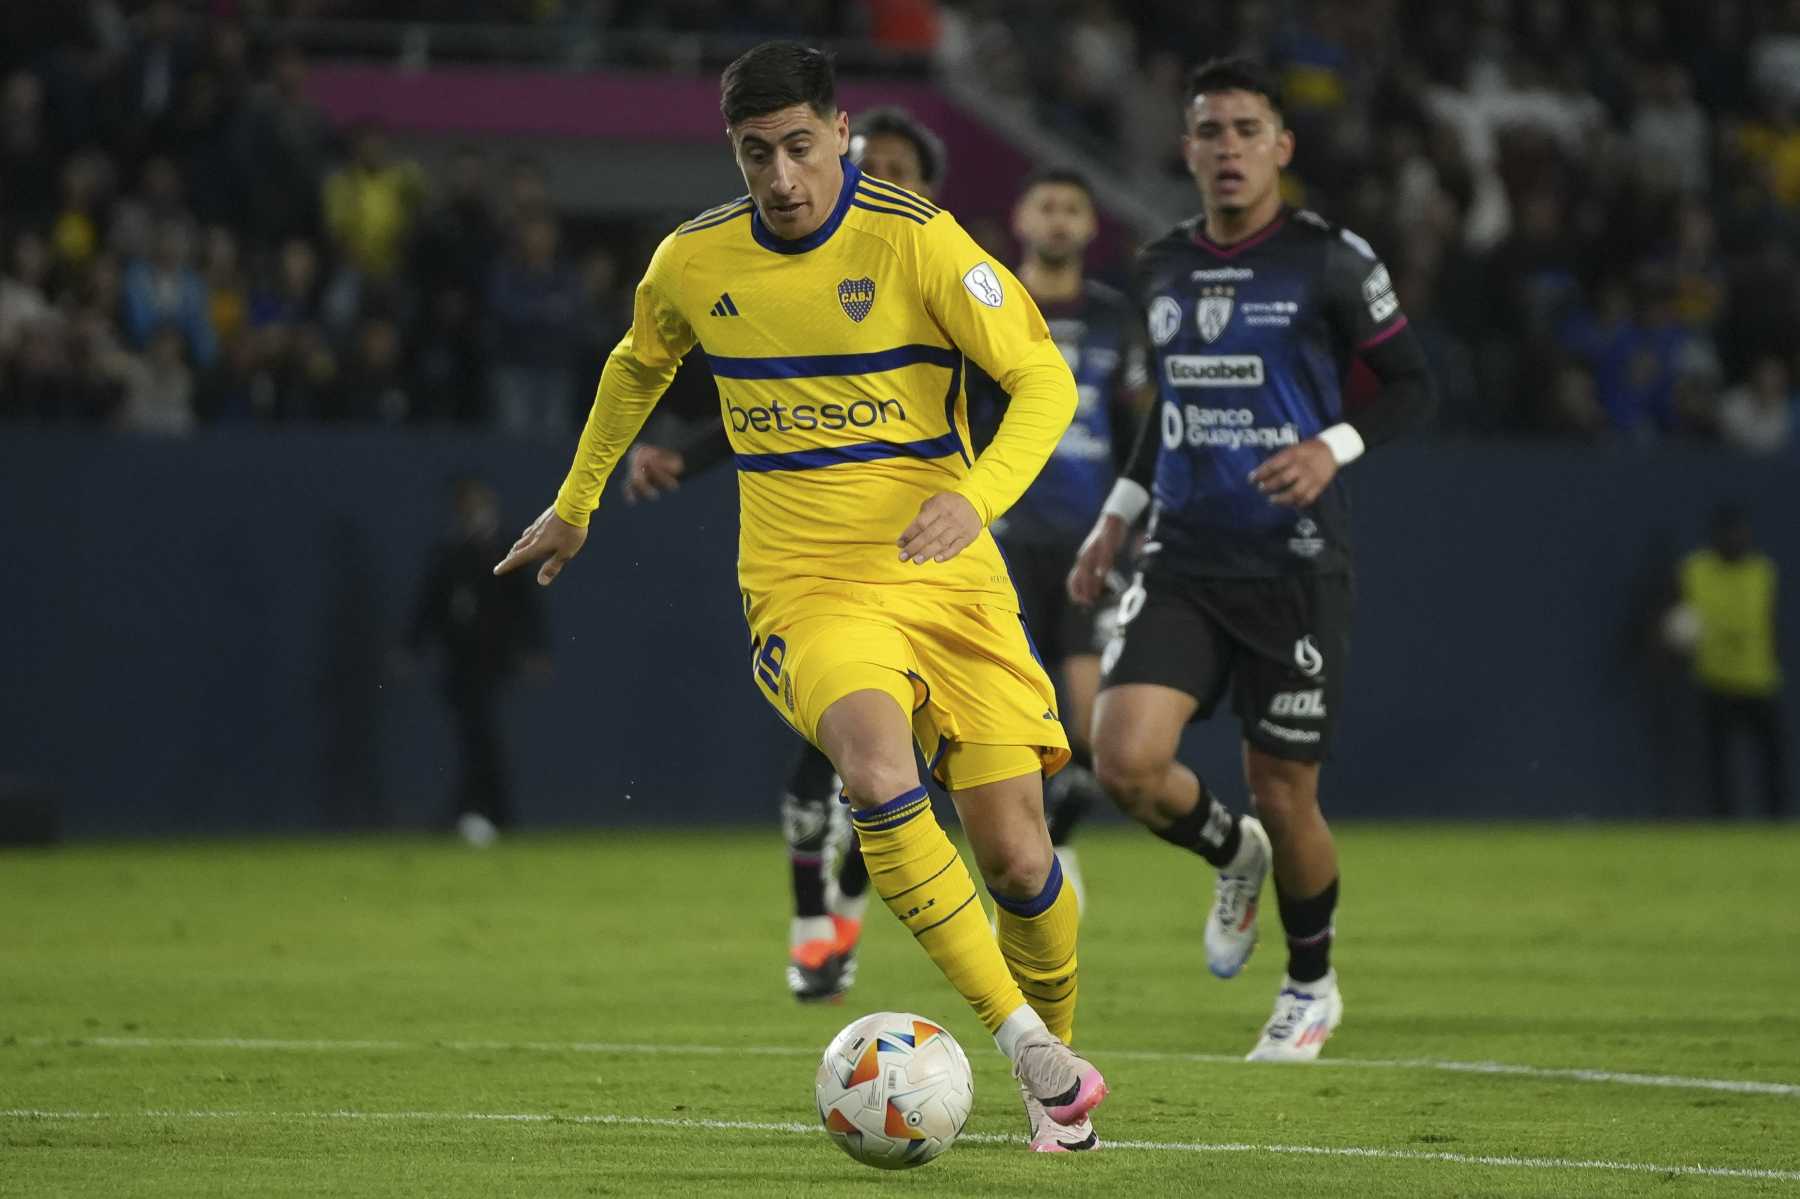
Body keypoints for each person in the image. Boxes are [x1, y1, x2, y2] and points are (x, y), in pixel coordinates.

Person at [495, 42, 1109, 1152]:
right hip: (805, 588)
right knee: (875, 769)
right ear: (732, 152)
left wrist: (974, 497)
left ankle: (1047, 1065)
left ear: (840, 135)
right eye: (753, 153)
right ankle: (1027, 1041)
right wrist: (578, 500)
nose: (780, 177)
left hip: (949, 579)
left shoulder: (916, 238)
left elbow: (1044, 378)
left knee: (1020, 856)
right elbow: (638, 365)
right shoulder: (693, 259)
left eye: (797, 147)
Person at [1068, 58, 1435, 1062]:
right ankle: (1234, 856)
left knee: (1286, 787)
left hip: (1294, 565)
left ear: (1282, 146)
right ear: (1185, 149)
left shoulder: (1331, 259)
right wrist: (1114, 519)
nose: (1227, 147)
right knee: (1127, 760)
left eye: (1245, 129)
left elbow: (1409, 385)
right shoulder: (1160, 263)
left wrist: (1331, 446)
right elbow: (1168, 416)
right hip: (1183, 553)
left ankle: (1309, 982)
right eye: (1209, 131)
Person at [619, 106, 951, 1004]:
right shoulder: (789, 270)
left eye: (900, 168)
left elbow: (1013, 404)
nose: (878, 179)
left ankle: (845, 911)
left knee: (925, 772)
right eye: (869, 163)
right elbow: (771, 406)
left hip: (939, 563)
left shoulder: (938, 273)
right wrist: (681, 455)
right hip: (824, 572)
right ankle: (816, 922)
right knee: (841, 759)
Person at [969, 167, 1149, 909]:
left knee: (1096, 741)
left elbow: (1140, 428)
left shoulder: (1115, 317)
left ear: (1088, 225)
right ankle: (1025, 859)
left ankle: (1059, 837)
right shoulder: (986, 307)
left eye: (1074, 207)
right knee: (1012, 723)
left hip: (1087, 546)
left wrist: (1132, 526)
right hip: (1000, 542)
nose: (1060, 219)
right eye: (1047, 204)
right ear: (1021, 216)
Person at [407, 477, 549, 846]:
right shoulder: (450, 553)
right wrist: (411, 646)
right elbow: (430, 605)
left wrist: (534, 647)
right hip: (459, 662)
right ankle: (486, 813)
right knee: (478, 739)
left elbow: (525, 604)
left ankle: (478, 812)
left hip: (494, 661)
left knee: (482, 738)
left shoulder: (505, 548)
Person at [1666, 504, 1788, 818]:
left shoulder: (1763, 571)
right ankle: (1725, 823)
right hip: (1715, 680)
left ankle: (1777, 822)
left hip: (1759, 680)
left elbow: (1772, 623)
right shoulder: (1695, 570)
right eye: (1729, 533)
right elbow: (1675, 620)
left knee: (1773, 758)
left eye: (1741, 533)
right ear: (1716, 536)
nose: (1736, 539)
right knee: (1718, 763)